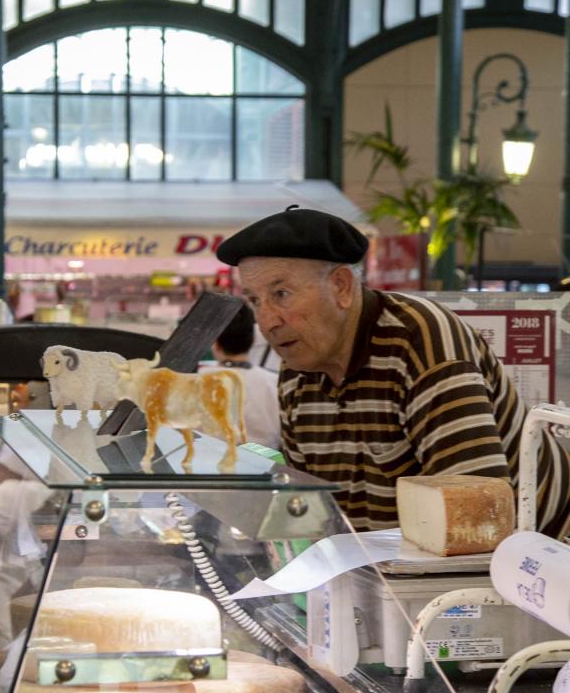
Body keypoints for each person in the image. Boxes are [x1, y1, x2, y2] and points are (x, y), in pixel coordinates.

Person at [216, 205, 570, 539]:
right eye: (255, 300)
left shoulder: (422, 344)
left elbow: (475, 518)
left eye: (281, 293)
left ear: (341, 286)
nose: (267, 321)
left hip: (542, 566)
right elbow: (317, 512)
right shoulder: (299, 372)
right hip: (400, 577)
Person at [203, 303, 281, 451]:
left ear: (216, 343)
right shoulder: (275, 384)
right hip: (263, 470)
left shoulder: (196, 383)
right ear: (252, 340)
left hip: (207, 470)